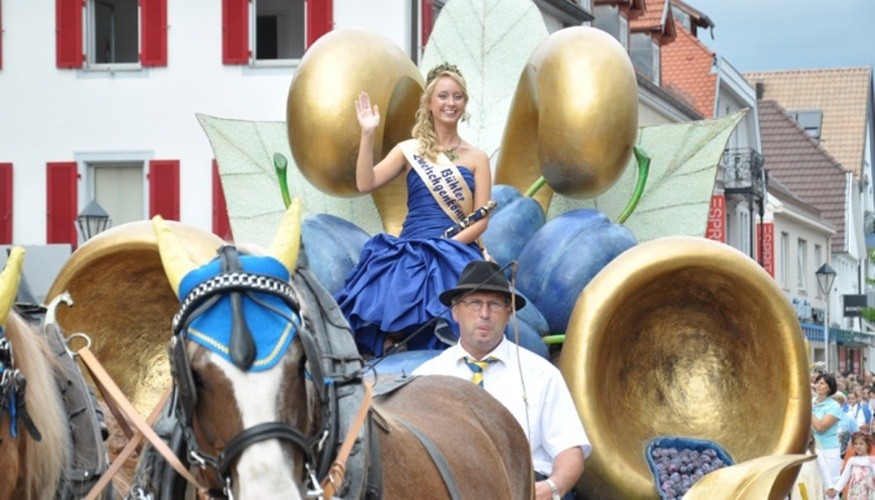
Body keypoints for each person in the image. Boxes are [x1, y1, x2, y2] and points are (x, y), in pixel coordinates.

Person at [334, 63, 492, 357]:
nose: (450, 103)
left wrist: (445, 246)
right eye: (443, 96)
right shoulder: (409, 150)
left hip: (455, 247)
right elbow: (365, 182)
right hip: (411, 246)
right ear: (429, 103)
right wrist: (368, 134)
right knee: (391, 287)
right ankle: (391, 346)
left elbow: (481, 220)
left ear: (464, 104)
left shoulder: (477, 158)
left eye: (457, 96)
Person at [414, 261, 590, 500]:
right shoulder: (425, 378)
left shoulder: (541, 374)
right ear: (455, 311)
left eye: (494, 304)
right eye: (475, 303)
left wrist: (551, 488)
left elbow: (570, 449)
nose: (484, 314)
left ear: (509, 313)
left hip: (523, 489)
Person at [813, 373, 846, 495]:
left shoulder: (834, 406)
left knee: (830, 485)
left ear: (829, 388)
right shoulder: (811, 402)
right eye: (817, 382)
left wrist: (808, 411)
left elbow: (820, 427)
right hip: (812, 448)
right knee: (815, 484)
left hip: (828, 448)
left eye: (822, 383)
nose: (818, 385)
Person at [827, 432, 875, 499]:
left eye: (861, 444)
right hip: (855, 493)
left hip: (869, 492)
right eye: (856, 444)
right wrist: (836, 490)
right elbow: (844, 477)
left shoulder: (872, 460)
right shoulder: (852, 460)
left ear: (867, 445)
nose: (858, 446)